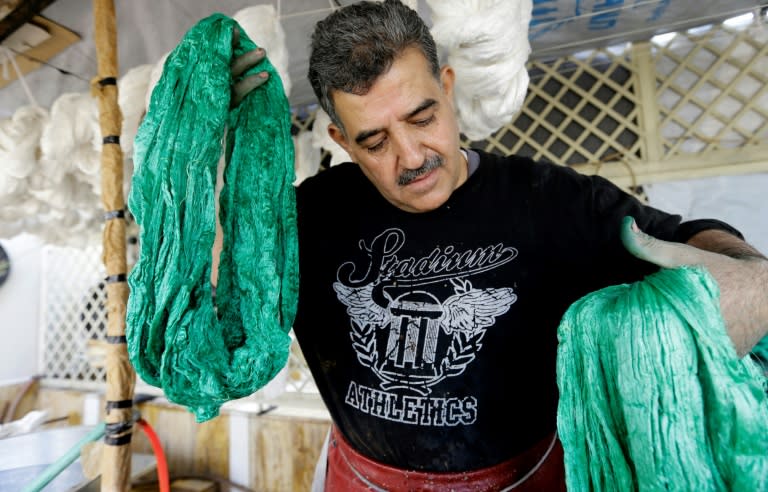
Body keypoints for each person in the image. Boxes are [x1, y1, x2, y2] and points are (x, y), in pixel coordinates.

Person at [231, 1, 768, 489]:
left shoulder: (553, 202)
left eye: (423, 118)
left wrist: (743, 266)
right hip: (361, 477)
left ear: (447, 86)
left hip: (524, 479)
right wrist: (213, 159)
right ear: (341, 140)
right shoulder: (305, 216)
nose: (412, 156)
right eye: (375, 141)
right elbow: (224, 316)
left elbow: (683, 236)